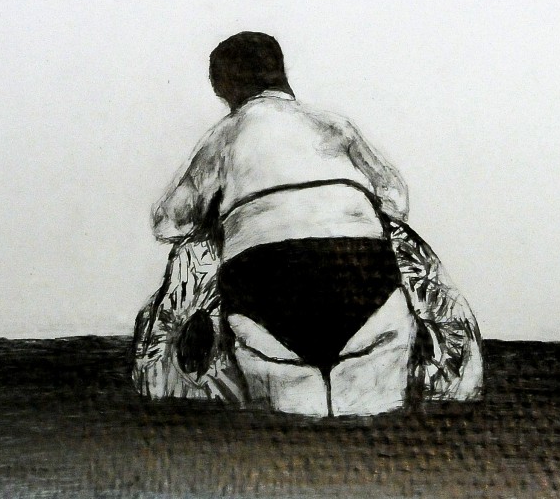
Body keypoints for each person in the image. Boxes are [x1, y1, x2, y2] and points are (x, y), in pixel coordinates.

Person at [150, 31, 419, 416]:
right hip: (365, 277)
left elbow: (169, 223)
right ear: (281, 72)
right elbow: (396, 200)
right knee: (372, 418)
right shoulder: (335, 126)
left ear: (223, 87)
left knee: (291, 424)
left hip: (265, 287)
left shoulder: (225, 136)